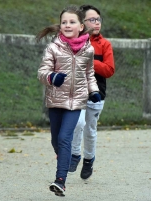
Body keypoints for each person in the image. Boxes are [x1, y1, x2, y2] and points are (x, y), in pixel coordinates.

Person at [36, 5, 101, 197]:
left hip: (76, 103)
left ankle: (60, 181)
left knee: (65, 138)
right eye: (64, 22)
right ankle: (62, 155)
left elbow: (89, 74)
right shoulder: (53, 47)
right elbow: (42, 72)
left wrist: (94, 91)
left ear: (81, 26)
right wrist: (51, 77)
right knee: (56, 141)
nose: (67, 25)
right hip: (56, 101)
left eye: (72, 22)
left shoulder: (88, 49)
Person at [69, 5, 115, 180]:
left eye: (98, 19)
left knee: (90, 129)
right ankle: (75, 154)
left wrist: (89, 60)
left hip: (97, 94)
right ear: (82, 23)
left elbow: (109, 70)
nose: (96, 23)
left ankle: (88, 159)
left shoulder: (105, 45)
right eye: (91, 20)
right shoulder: (73, 41)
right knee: (77, 123)